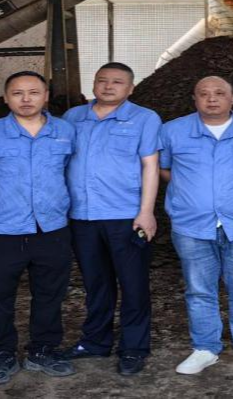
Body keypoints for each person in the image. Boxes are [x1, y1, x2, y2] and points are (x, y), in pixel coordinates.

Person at [158, 76, 233, 376]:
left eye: (219, 93)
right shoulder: (173, 130)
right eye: (204, 94)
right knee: (199, 290)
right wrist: (191, 192)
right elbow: (163, 168)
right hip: (191, 224)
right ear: (194, 98)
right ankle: (205, 348)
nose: (211, 99)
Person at [0, 71, 77, 386]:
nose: (26, 99)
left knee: (50, 294)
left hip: (52, 227)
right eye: (17, 93)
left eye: (34, 92)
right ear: (6, 98)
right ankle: (2, 353)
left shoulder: (65, 131)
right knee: (0, 296)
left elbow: (70, 171)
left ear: (46, 96)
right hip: (3, 229)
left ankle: (42, 350)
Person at [62, 62, 161, 375]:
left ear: (130, 88)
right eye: (102, 80)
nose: (108, 86)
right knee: (95, 283)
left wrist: (146, 211)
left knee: (133, 284)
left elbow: (150, 166)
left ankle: (134, 348)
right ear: (93, 84)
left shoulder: (144, 118)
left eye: (117, 82)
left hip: (125, 215)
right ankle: (96, 341)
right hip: (82, 215)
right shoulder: (73, 117)